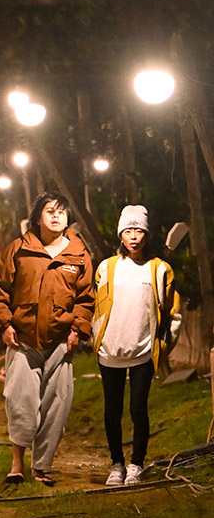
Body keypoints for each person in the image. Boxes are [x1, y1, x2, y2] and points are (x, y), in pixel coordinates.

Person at [0, 192, 95, 485]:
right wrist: (4, 325)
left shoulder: (78, 253)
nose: (57, 216)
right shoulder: (19, 250)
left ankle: (41, 468)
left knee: (56, 404)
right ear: (38, 217)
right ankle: (17, 463)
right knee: (20, 401)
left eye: (61, 212)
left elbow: (86, 298)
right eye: (50, 211)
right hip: (22, 340)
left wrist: (77, 330)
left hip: (61, 342)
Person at [92, 205, 181, 486]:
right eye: (128, 231)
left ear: (147, 234)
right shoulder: (106, 267)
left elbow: (172, 314)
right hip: (111, 350)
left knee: (138, 409)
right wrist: (97, 338)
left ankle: (136, 464)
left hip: (143, 350)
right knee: (112, 410)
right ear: (121, 234)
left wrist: (163, 347)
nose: (133, 236)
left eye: (138, 230)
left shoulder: (159, 269)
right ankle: (116, 464)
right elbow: (96, 306)